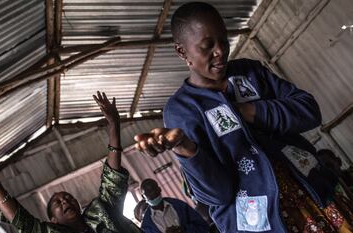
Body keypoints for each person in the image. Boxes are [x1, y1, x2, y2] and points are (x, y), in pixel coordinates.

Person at [134, 2, 353, 232]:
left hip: (317, 192)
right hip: (267, 224)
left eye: (223, 41)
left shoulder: (250, 72)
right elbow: (219, 195)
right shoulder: (182, 110)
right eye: (207, 46)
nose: (220, 51)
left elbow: (309, 111)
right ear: (182, 52)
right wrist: (186, 149)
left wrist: (248, 111)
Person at [0, 92, 142, 233]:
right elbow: (19, 220)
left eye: (67, 198)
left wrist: (114, 125)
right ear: (53, 220)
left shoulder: (102, 211)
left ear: (79, 205)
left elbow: (112, 176)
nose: (65, 202)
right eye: (57, 203)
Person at [139, 178, 209, 233]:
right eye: (149, 192)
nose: (153, 193)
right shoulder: (146, 225)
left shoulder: (180, 206)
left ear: (159, 189)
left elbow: (203, 226)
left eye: (154, 189)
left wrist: (183, 230)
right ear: (143, 197)